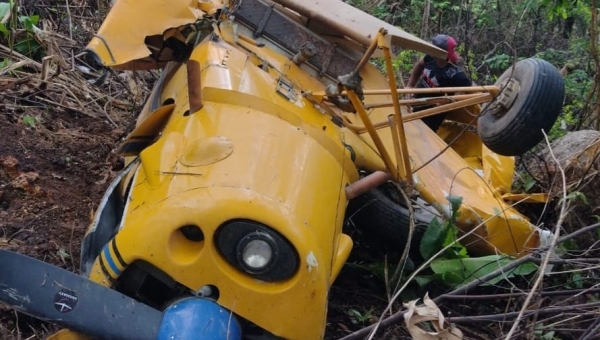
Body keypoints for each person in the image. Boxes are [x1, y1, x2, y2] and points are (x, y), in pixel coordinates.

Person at [406, 34, 472, 131]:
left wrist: (449, 101)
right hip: (416, 103)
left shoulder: (455, 73)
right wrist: (410, 86)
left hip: (432, 115)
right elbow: (419, 65)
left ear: (440, 52)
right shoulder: (430, 57)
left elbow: (470, 91)